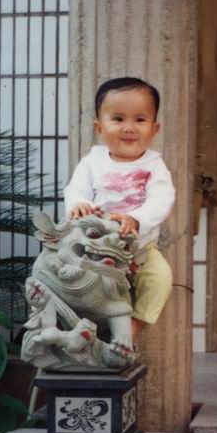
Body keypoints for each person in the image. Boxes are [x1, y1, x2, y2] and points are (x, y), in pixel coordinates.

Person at [64, 77, 175, 340]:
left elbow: (162, 200)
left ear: (154, 129)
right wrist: (79, 205)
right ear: (99, 127)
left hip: (139, 249)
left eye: (140, 119)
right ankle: (76, 324)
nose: (129, 128)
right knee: (72, 277)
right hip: (94, 247)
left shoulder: (154, 166)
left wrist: (135, 219)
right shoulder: (92, 162)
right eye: (118, 119)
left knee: (160, 277)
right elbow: (75, 189)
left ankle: (135, 325)